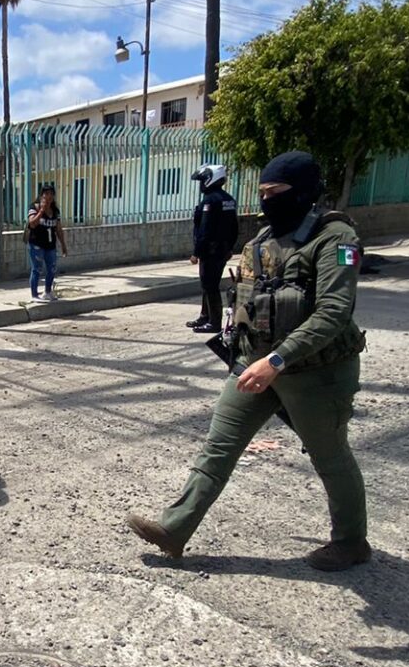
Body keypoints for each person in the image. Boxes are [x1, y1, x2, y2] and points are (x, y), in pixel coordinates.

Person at [125, 150, 371, 571]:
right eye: (261, 191)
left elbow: (333, 312)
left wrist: (277, 359)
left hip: (316, 372)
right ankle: (174, 529)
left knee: (329, 456)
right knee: (218, 447)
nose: (266, 200)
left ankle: (351, 541)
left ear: (304, 192)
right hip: (255, 365)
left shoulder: (335, 240)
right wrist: (243, 354)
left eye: (275, 192)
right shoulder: (262, 242)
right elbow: (251, 304)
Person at [187, 163, 240, 333]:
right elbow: (234, 228)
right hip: (222, 250)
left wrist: (196, 253)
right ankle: (205, 316)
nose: (201, 184)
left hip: (210, 251)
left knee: (210, 285)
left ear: (211, 179)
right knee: (209, 284)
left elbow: (205, 229)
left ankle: (214, 322)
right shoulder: (229, 199)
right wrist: (230, 248)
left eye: (203, 180)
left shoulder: (210, 200)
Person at [26, 184, 68, 302]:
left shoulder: (55, 211)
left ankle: (48, 292)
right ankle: (34, 295)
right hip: (36, 244)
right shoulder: (34, 207)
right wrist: (41, 211)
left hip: (50, 245)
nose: (48, 197)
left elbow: (58, 229)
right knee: (37, 269)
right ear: (41, 196)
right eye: (46, 194)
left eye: (51, 194)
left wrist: (63, 245)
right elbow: (32, 223)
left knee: (52, 268)